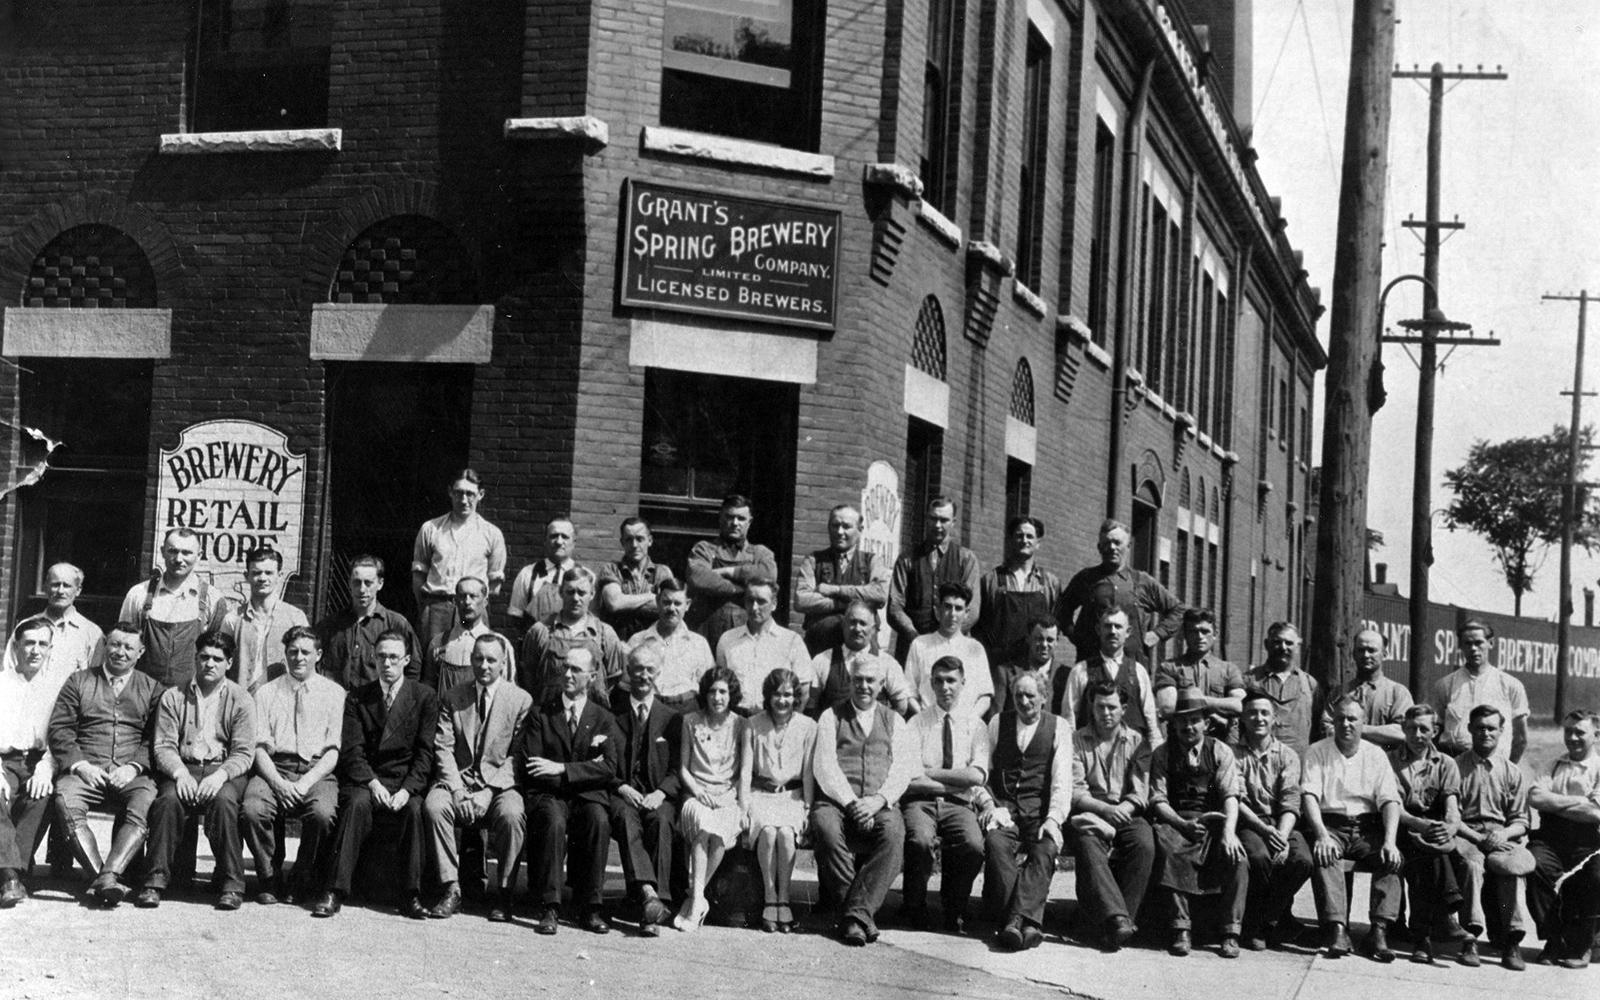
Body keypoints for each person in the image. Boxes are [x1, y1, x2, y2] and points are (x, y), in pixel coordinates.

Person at [316, 631, 439, 919]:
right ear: (374, 658)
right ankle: (334, 891)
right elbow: (353, 752)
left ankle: (411, 894)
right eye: (381, 656)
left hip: (403, 782)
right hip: (367, 779)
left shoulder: (423, 697)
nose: (387, 663)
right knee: (356, 805)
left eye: (394, 657)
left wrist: (407, 790)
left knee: (413, 809)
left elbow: (424, 754)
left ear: (406, 660)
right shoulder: (358, 697)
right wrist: (372, 783)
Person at [47, 622, 162, 905]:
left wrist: (134, 767)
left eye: (128, 647)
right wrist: (81, 765)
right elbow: (60, 729)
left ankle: (107, 875)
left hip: (131, 772)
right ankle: (104, 877)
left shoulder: (152, 688)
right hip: (87, 769)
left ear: (141, 651)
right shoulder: (79, 681)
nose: (120, 652)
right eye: (114, 644)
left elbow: (157, 737)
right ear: (105, 645)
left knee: (145, 800)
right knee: (65, 800)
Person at [810, 654, 920, 946]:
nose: (863, 686)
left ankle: (853, 916)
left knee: (895, 834)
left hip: (879, 802)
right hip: (836, 802)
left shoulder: (895, 720)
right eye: (857, 679)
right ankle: (860, 914)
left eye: (870, 680)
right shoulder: (830, 717)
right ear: (849, 681)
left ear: (882, 684)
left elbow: (902, 768)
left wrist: (878, 800)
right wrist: (851, 803)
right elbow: (825, 766)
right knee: (825, 828)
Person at [140, 630, 255, 910]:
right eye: (204, 657)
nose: (210, 664)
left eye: (218, 658)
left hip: (222, 769)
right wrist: (179, 773)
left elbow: (244, 751)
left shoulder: (241, 699)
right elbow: (163, 746)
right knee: (167, 801)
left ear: (229, 663)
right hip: (184, 765)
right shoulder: (173, 696)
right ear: (195, 658)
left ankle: (231, 884)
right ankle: (155, 881)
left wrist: (220, 776)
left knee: (225, 801)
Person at [426, 632, 532, 922]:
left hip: (500, 784)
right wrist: (458, 791)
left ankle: (504, 893)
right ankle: (452, 888)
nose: (484, 665)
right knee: (435, 807)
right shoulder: (453, 696)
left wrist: (489, 792)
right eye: (478, 659)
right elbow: (443, 748)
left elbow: (518, 756)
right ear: (471, 660)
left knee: (512, 814)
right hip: (459, 780)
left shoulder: (520, 700)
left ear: (502, 663)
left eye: (491, 660)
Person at [521, 646, 622, 935]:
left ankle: (590, 906)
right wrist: (584, 770)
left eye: (576, 670)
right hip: (549, 794)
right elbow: (534, 765)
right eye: (565, 667)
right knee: (552, 821)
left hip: (587, 796)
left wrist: (562, 769)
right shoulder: (542, 713)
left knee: (598, 820)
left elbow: (610, 769)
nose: (567, 674)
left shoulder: (603, 718)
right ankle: (550, 905)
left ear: (591, 676)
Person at [243, 625, 345, 905]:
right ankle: (269, 876)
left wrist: (303, 783)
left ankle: (302, 876)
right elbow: (259, 747)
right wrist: (277, 782)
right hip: (274, 766)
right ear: (285, 654)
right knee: (253, 809)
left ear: (318, 655)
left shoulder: (334, 694)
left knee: (322, 814)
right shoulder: (266, 693)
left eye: (305, 652)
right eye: (292, 651)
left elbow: (333, 751)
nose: (299, 657)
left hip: (316, 771)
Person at [1299, 694, 1403, 961]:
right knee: (1324, 854)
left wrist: (1390, 841)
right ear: (1333, 721)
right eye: (1340, 718)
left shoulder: (1376, 755)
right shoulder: (1317, 751)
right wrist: (1321, 834)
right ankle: (1337, 929)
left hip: (1368, 828)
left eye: (1352, 719)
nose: (1346, 724)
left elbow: (1389, 800)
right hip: (1331, 825)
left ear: (1363, 722)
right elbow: (1309, 796)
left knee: (1391, 858)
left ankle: (1378, 932)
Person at [1148, 688, 1247, 958]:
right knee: (1168, 849)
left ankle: (1230, 931)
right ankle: (1181, 928)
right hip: (1177, 821)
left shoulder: (1220, 751)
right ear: (1174, 724)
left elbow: (1230, 795)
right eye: (1182, 721)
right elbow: (1158, 800)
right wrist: (1181, 824)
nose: (1188, 727)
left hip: (1213, 822)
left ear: (1206, 722)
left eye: (1195, 720)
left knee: (1237, 857)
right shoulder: (1162, 754)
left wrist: (1228, 832)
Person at [980, 672, 1071, 950]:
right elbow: (982, 772)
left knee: (1045, 847)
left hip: (1039, 813)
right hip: (1004, 809)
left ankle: (1013, 921)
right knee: (996, 842)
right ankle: (1028, 922)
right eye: (1018, 694)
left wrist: (1054, 818)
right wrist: (989, 804)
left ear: (1043, 698)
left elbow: (1062, 780)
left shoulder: (1059, 727)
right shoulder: (998, 722)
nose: (1024, 701)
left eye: (1031, 695)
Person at [901, 655, 989, 933]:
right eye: (938, 680)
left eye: (951, 680)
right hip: (921, 802)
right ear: (930, 684)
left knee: (973, 845)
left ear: (963, 683)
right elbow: (909, 779)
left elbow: (977, 775)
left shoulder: (976, 726)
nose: (945, 686)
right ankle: (914, 907)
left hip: (959, 805)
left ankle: (954, 906)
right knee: (919, 840)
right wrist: (956, 780)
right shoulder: (916, 724)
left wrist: (932, 771)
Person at [1066, 680, 1155, 952]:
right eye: (1100, 707)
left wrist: (1121, 811)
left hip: (1126, 811)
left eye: (1112, 707)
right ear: (1091, 708)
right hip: (1091, 811)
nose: (1106, 713)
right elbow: (1076, 791)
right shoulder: (1077, 740)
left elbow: (1141, 791)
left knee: (1144, 843)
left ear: (1124, 709)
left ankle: (1116, 923)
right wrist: (1106, 810)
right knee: (1087, 843)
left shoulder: (1138, 742)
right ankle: (1118, 919)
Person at [607, 644, 684, 935]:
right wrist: (621, 786)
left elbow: (679, 768)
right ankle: (650, 897)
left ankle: (653, 904)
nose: (643, 675)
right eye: (637, 668)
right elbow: (603, 762)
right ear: (628, 670)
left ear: (659, 672)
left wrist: (662, 792)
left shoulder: (671, 717)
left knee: (662, 820)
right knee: (626, 818)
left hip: (656, 793)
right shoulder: (612, 713)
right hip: (622, 791)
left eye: (650, 669)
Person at [1451, 705, 1535, 970]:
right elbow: (1452, 817)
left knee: (1511, 868)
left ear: (1501, 732)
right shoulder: (1455, 767)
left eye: (1491, 728)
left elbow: (1521, 820)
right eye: (1480, 728)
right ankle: (1470, 938)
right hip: (1467, 834)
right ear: (1470, 730)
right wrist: (1476, 837)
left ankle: (1511, 941)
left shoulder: (1512, 771)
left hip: (1501, 834)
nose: (1485, 733)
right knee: (1473, 866)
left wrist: (1503, 834)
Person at [1230, 691, 1313, 951]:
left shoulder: (1287, 755)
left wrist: (1281, 835)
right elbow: (1236, 799)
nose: (1259, 718)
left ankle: (1265, 921)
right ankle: (1269, 921)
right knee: (1258, 857)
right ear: (1243, 718)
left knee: (1302, 860)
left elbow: (1291, 801)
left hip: (1282, 822)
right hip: (1249, 822)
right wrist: (1266, 831)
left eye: (1265, 713)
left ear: (1274, 718)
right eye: (1253, 713)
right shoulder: (1231, 753)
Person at [0, 618, 73, 905]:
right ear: (16, 646)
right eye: (28, 642)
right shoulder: (1, 683)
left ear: (50, 649)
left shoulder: (59, 688)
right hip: (3, 760)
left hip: (37, 761)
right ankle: (12, 876)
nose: (35, 650)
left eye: (42, 644)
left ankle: (8, 874)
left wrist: (48, 765)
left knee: (40, 796)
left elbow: (63, 734)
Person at [1387, 703, 1467, 963]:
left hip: (1432, 829)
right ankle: (1445, 916)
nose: (1417, 735)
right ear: (1403, 729)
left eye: (1424, 729)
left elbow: (1451, 806)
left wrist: (1450, 827)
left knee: (1429, 854)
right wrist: (1418, 825)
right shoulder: (1390, 761)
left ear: (1435, 731)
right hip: (1399, 826)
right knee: (1427, 853)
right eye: (1411, 728)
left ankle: (1423, 939)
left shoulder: (1446, 763)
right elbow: (1392, 806)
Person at [673, 666, 748, 932]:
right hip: (697, 794)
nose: (717, 697)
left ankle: (694, 898)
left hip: (727, 796)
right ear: (705, 694)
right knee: (703, 827)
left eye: (723, 692)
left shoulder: (741, 725)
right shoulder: (690, 720)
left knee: (719, 833)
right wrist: (698, 791)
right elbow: (683, 767)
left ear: (731, 695)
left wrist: (735, 798)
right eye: (713, 691)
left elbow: (744, 771)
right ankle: (697, 902)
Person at [742, 668, 817, 934]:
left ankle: (784, 899)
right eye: (776, 694)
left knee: (786, 833)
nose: (782, 701)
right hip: (761, 795)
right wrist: (743, 806)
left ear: (796, 697)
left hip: (793, 797)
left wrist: (808, 807)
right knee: (768, 832)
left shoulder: (808, 726)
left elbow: (808, 771)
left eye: (787, 695)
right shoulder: (753, 724)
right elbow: (745, 771)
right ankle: (769, 897)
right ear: (768, 696)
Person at [1526, 709, 1600, 969]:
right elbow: (1535, 798)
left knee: (1595, 876)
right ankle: (1554, 940)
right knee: (1534, 865)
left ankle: (1581, 947)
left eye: (1580, 732)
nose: (1573, 737)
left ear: (1596, 735)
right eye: (1568, 731)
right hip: (1550, 838)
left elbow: (1595, 814)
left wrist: (1554, 802)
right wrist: (1579, 801)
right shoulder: (1553, 764)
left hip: (1589, 842)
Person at [1056, 519, 1183, 665]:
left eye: (1117, 542)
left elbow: (1178, 609)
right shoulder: (1086, 578)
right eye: (1106, 543)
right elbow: (1060, 609)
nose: (1111, 547)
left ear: (1128, 546)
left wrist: (1157, 634)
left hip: (1132, 668)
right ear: (1099, 547)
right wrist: (1077, 637)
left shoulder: (1142, 581)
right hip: (1092, 665)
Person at [118, 527, 232, 688]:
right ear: (163, 551)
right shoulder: (138, 595)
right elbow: (122, 646)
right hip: (143, 693)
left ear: (199, 556)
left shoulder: (212, 599)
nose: (179, 559)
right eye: (173, 551)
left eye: (186, 553)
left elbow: (218, 657)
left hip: (191, 696)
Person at [411, 468, 507, 654]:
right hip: (436, 610)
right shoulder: (431, 529)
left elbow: (494, 587)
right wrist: (428, 608)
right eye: (459, 493)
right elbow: (418, 577)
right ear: (450, 492)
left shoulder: (491, 534)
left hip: (472, 610)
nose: (464, 500)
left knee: (471, 661)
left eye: (470, 494)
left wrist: (473, 605)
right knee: (432, 663)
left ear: (481, 494)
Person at [887, 495, 981, 664]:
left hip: (953, 650)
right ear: (926, 519)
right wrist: (914, 637)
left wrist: (947, 636)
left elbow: (972, 610)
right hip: (912, 648)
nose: (937, 525)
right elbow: (895, 606)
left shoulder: (966, 559)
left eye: (943, 520)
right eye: (933, 519)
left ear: (953, 522)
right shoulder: (907, 559)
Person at [794, 504, 890, 656]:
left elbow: (879, 594)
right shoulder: (813, 560)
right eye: (835, 525)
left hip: (862, 650)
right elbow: (802, 600)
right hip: (820, 646)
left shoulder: (872, 561)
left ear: (860, 530)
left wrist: (836, 590)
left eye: (846, 526)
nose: (839, 532)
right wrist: (844, 602)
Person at [519, 566, 624, 703]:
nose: (575, 598)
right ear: (561, 593)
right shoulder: (540, 631)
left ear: (592, 594)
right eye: (570, 592)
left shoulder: (605, 633)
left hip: (591, 716)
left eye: (582, 593)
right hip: (549, 716)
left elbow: (613, 679)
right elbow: (528, 676)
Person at [686, 494, 778, 648]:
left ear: (750, 522)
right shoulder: (704, 549)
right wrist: (739, 589)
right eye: (730, 517)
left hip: (747, 627)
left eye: (741, 518)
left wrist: (729, 571)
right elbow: (698, 578)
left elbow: (769, 574)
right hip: (706, 627)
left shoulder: (760, 553)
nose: (735, 523)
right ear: (720, 518)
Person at [1430, 619, 1529, 762]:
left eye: (1478, 642)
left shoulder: (1510, 685)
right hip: (1454, 763)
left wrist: (1508, 770)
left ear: (1491, 643)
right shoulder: (1445, 685)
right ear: (1460, 646)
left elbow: (1521, 738)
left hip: (1495, 764)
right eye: (1468, 643)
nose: (1473, 649)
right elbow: (1434, 732)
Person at [316, 556, 420, 690]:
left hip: (376, 706)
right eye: (357, 582)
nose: (362, 589)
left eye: (368, 583)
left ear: (380, 583)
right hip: (336, 704)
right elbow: (313, 662)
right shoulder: (330, 625)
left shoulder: (396, 624)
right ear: (349, 583)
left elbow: (413, 669)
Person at [1062, 607, 1160, 747]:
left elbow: (1151, 722)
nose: (1113, 631)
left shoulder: (1139, 671)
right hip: (1090, 756)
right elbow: (1069, 719)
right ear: (1098, 629)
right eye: (1107, 626)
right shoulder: (1080, 670)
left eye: (1118, 626)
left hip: (1131, 756)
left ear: (1128, 632)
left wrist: (1155, 757)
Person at [973, 516, 1062, 669]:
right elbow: (979, 628)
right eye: (1019, 535)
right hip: (999, 667)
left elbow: (1055, 625)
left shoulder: (1049, 583)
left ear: (1038, 543)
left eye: (1029, 536)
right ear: (1010, 540)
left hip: (1036, 668)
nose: (1024, 540)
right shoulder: (991, 581)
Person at [714, 578, 812, 716]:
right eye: (750, 600)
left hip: (775, 720)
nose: (754, 607)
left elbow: (803, 690)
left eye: (761, 601)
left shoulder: (791, 641)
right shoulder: (727, 639)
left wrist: (786, 724)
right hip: (737, 720)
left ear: (774, 604)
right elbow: (720, 685)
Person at [222, 547, 310, 693]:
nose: (263, 578)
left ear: (279, 576)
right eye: (256, 573)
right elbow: (221, 662)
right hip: (242, 701)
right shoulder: (233, 619)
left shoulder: (295, 617)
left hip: (282, 699)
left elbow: (306, 662)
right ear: (246, 576)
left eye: (269, 573)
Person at [807, 601, 914, 719]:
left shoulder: (887, 663)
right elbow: (810, 706)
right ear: (843, 624)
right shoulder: (823, 660)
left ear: (873, 629)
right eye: (852, 622)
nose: (857, 629)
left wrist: (882, 728)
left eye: (863, 623)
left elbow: (902, 706)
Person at [904, 583, 993, 719]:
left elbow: (985, 695)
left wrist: (969, 720)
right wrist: (924, 717)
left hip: (965, 726)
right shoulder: (920, 644)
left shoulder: (975, 648)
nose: (952, 614)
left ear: (966, 613)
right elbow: (909, 692)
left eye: (958, 608)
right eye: (947, 606)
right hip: (928, 724)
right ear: (937, 610)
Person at [1154, 609, 1245, 741]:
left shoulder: (1229, 669)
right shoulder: (1169, 668)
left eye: (1205, 631)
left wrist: (1199, 700)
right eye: (1193, 631)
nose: (1199, 636)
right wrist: (1215, 715)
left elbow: (1240, 705)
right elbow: (1168, 707)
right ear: (1184, 635)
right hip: (1181, 744)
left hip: (1219, 743)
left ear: (1215, 634)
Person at [625, 579, 714, 711]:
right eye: (666, 602)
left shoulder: (699, 643)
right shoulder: (638, 640)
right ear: (657, 602)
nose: (672, 608)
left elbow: (708, 687)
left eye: (677, 603)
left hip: (686, 709)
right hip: (650, 708)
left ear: (687, 605)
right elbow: (626, 685)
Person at [1323, 628, 1411, 748]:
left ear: (1384, 655)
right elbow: (1327, 729)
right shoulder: (1338, 693)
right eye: (1361, 650)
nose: (1365, 655)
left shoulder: (1397, 693)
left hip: (1384, 762)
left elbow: (1403, 732)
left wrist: (1356, 728)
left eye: (1371, 650)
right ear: (1353, 654)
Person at [1244, 622, 1320, 757]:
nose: (1283, 647)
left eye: (1289, 643)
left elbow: (1318, 729)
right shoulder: (1249, 681)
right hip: (1258, 762)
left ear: (1298, 646)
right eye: (1277, 642)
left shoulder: (1310, 684)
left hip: (1299, 763)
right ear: (1267, 644)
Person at [596, 517, 677, 640]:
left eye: (640, 539)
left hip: (652, 645)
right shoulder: (612, 569)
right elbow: (614, 603)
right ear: (622, 542)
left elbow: (667, 608)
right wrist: (650, 597)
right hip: (618, 644)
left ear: (650, 541)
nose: (634, 545)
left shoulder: (662, 572)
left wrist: (626, 602)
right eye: (629, 540)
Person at [16, 562, 104, 673]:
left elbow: (94, 682)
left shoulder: (92, 634)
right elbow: (10, 673)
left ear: (78, 590)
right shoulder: (25, 628)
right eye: (55, 585)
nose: (60, 591)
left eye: (66, 586)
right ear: (45, 587)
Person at [508, 516, 581, 634]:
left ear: (574, 543)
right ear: (545, 541)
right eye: (553, 536)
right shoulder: (527, 574)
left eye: (565, 537)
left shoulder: (586, 576)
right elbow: (516, 617)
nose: (558, 541)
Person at [989, 617, 1068, 721]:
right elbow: (995, 719)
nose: (1044, 645)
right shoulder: (1006, 672)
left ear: (1057, 641)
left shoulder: (1065, 675)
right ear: (1028, 638)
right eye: (1039, 639)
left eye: (1050, 640)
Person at [424, 576, 492, 693]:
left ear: (485, 602)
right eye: (462, 596)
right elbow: (428, 687)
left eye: (473, 596)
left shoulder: (498, 644)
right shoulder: (439, 642)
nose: (467, 602)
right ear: (455, 601)